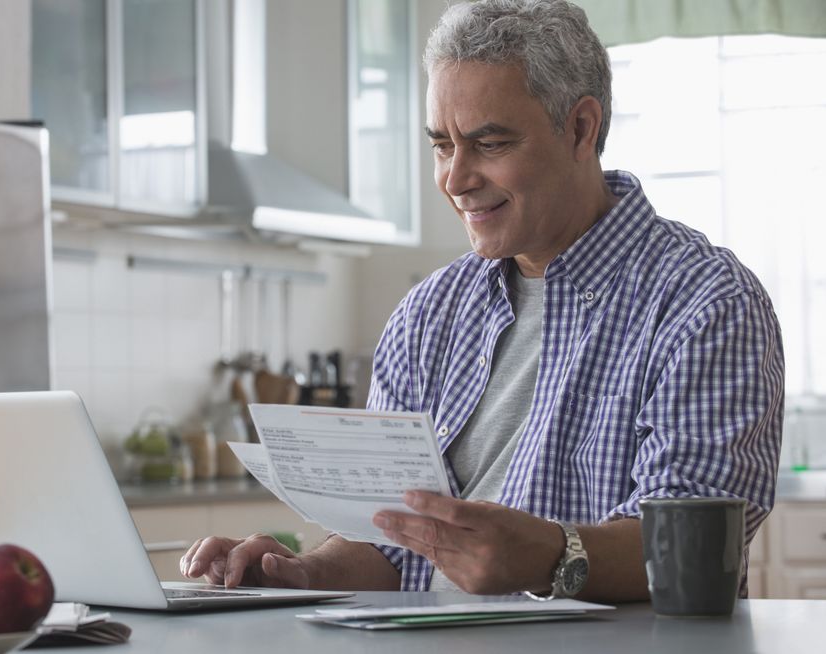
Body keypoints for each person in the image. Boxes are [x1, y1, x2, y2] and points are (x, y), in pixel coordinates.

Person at [180, 0, 784, 602]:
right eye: (443, 145)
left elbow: (696, 554)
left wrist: (550, 557)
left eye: (489, 144)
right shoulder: (428, 314)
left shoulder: (706, 304)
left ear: (581, 128)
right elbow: (391, 544)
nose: (454, 178)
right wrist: (301, 575)